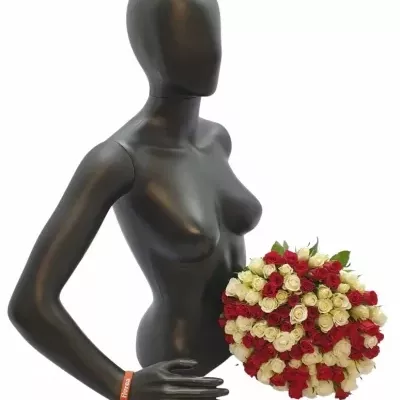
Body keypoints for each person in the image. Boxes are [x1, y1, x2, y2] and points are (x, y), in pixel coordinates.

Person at [8, 0, 263, 399]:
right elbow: (30, 304)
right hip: (179, 364)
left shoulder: (216, 138)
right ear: (148, 48)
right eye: (185, 39)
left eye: (211, 35)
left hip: (252, 354)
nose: (207, 52)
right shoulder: (118, 160)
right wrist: (120, 385)